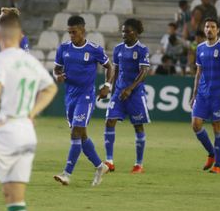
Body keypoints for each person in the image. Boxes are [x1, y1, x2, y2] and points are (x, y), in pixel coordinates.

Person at [0, 12, 57, 211]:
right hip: (27, 133)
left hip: (6, 132)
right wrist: (31, 113)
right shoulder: (30, 61)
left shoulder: (0, 58)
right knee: (14, 198)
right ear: (21, 35)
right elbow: (50, 88)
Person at [53, 15, 113, 186]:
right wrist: (57, 76)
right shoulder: (63, 48)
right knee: (82, 135)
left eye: (74, 32)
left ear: (83, 30)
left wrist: (107, 85)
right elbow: (56, 69)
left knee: (76, 132)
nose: (72, 35)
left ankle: (66, 173)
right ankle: (100, 166)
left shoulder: (94, 49)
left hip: (86, 96)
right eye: (69, 32)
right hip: (70, 96)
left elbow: (110, 67)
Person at [104, 18, 150, 174]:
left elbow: (144, 72)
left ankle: (139, 164)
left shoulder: (142, 50)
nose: (124, 34)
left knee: (138, 126)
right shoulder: (118, 49)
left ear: (136, 32)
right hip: (119, 91)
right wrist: (110, 86)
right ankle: (109, 161)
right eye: (123, 31)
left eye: (127, 31)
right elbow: (115, 70)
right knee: (110, 121)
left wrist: (130, 88)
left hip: (135, 93)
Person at [190, 17, 220, 174]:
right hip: (202, 93)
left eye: (212, 27)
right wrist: (194, 94)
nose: (209, 29)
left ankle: (218, 165)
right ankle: (211, 152)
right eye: (207, 26)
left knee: (217, 126)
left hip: (218, 94)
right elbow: (198, 72)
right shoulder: (200, 48)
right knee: (196, 124)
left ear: (218, 30)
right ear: (204, 29)